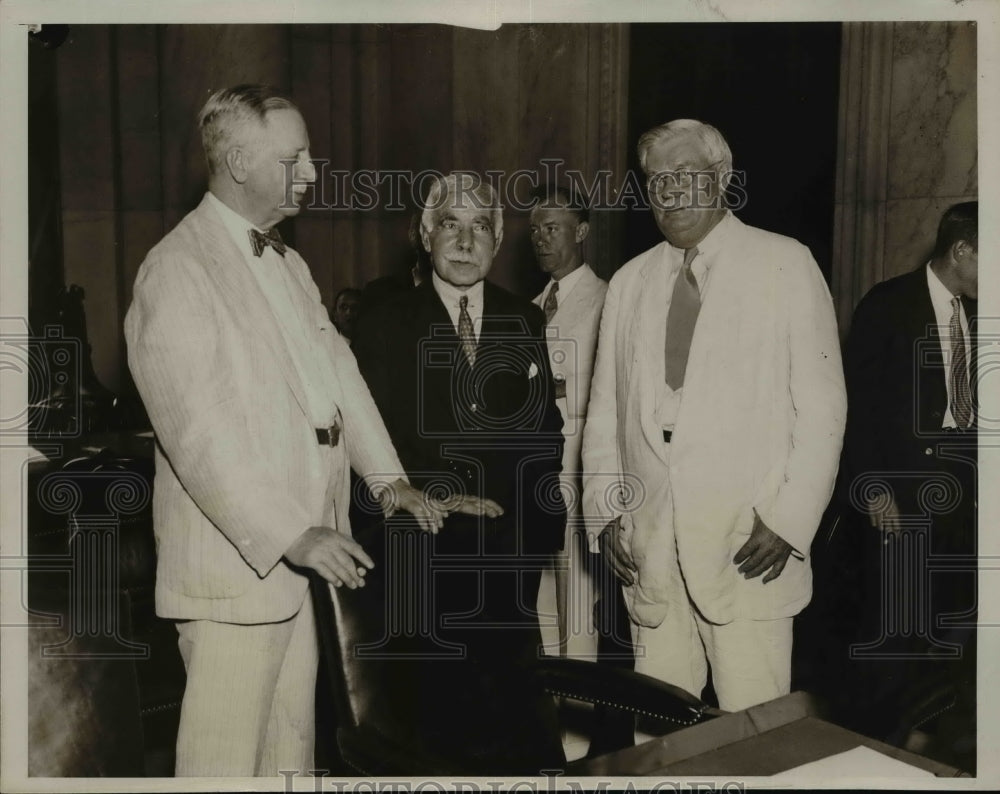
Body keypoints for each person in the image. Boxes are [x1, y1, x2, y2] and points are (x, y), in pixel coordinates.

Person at [124, 84, 442, 777]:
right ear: (238, 161)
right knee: (222, 765)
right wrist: (290, 533)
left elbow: (341, 380)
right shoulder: (176, 270)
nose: (310, 174)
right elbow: (198, 435)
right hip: (240, 570)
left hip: (307, 557)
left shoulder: (288, 263)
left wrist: (389, 483)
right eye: (293, 159)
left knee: (291, 756)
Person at [582, 119, 846, 713]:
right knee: (659, 734)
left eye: (684, 175)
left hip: (747, 548)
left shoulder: (784, 262)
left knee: (753, 732)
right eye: (655, 180)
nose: (669, 191)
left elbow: (825, 407)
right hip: (648, 548)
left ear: (722, 177)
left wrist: (789, 520)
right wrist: (604, 512)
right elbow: (603, 415)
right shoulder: (628, 282)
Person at [351, 172, 567, 771]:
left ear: (498, 241)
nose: (465, 240)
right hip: (422, 562)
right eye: (451, 224)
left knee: (520, 736)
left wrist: (534, 536)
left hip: (507, 567)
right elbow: (369, 443)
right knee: (435, 742)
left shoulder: (522, 320)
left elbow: (542, 430)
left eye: (480, 227)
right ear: (426, 236)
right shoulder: (383, 321)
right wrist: (439, 498)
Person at [839, 201, 977, 768]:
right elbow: (853, 411)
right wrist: (872, 491)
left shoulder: (981, 312)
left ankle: (936, 754)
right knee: (892, 646)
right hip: (902, 503)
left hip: (966, 503)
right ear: (963, 251)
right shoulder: (887, 305)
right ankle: (874, 759)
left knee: (952, 643)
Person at [529, 184, 607, 661]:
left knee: (577, 599)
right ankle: (551, 725)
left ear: (580, 231)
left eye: (552, 227)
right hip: (537, 467)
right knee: (542, 602)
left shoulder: (607, 298)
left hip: (580, 464)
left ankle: (578, 728)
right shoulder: (533, 305)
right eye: (534, 229)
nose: (540, 239)